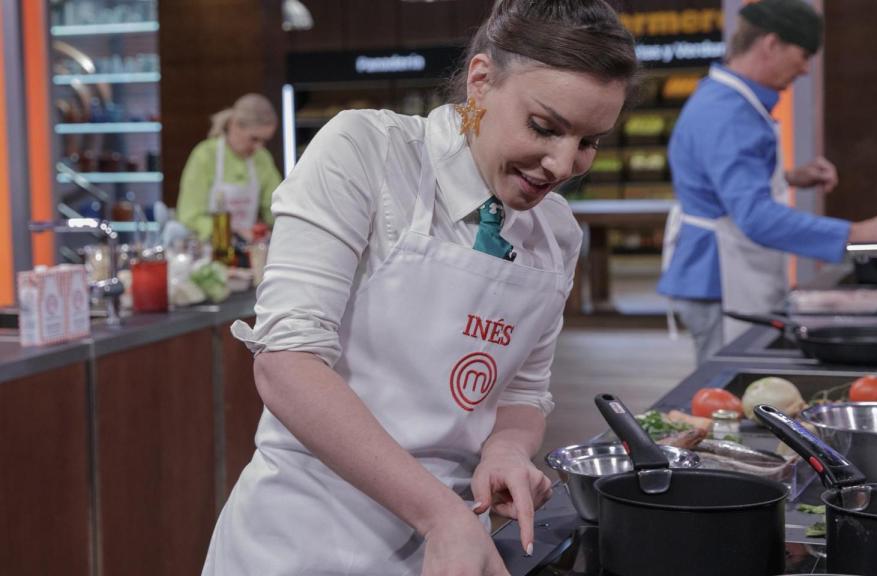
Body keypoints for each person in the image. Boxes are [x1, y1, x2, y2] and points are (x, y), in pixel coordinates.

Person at [201, 1, 638, 575]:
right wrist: (438, 513)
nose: (562, 164)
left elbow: (523, 394)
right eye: (545, 127)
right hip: (304, 538)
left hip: (454, 545)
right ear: (480, 81)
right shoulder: (367, 152)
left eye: (589, 141)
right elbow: (289, 363)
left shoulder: (555, 232)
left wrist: (505, 449)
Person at [658, 0, 877, 363]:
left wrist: (790, 177)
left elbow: (720, 182)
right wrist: (855, 234)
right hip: (718, 279)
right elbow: (756, 217)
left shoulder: (725, 98)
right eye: (804, 54)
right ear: (771, 44)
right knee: (724, 391)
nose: (806, 69)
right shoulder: (729, 112)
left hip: (719, 271)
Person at [177, 93, 282, 242]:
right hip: (210, 249)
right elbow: (189, 216)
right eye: (254, 139)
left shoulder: (262, 159)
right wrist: (232, 232)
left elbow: (275, 207)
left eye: (264, 141)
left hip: (248, 248)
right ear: (234, 125)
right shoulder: (205, 156)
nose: (258, 147)